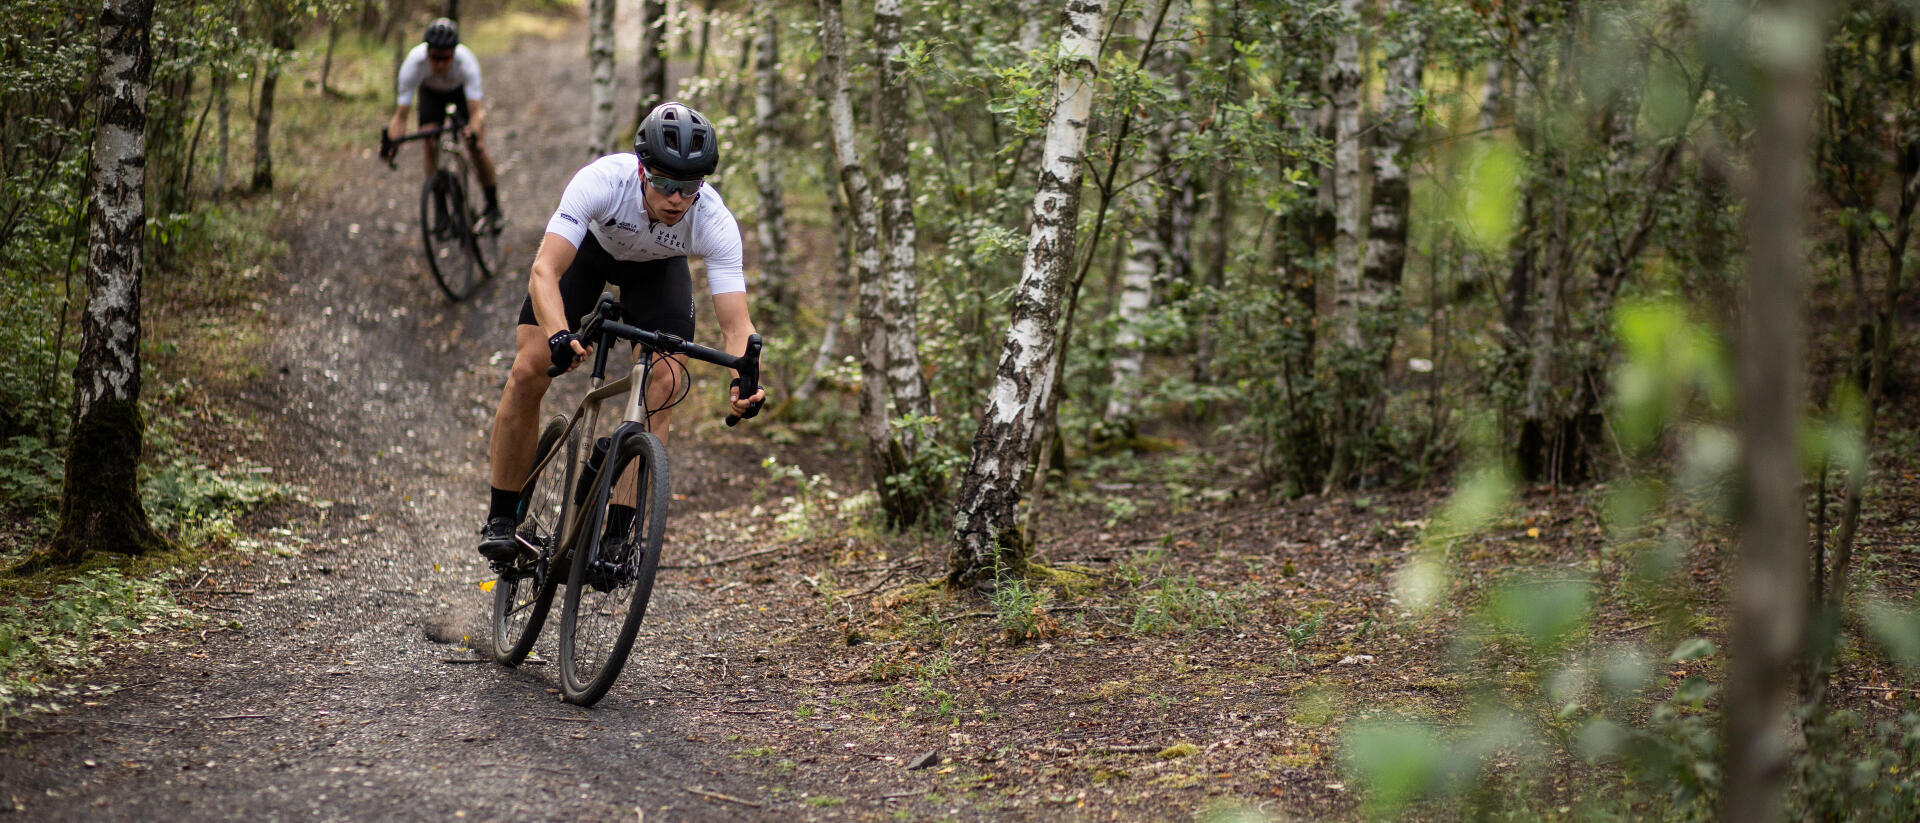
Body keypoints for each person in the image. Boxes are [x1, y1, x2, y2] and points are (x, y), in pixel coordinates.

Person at [477, 101, 766, 561]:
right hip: (590, 253)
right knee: (530, 368)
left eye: (688, 186)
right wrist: (557, 334)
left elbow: (736, 323)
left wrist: (742, 379)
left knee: (666, 381)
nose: (676, 198)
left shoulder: (712, 219)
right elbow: (545, 271)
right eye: (665, 183)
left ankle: (617, 533)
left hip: (657, 272)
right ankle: (502, 515)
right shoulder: (602, 181)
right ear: (641, 170)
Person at [380, 18, 502, 223]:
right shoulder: (413, 63)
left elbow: (476, 112)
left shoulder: (467, 63)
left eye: (445, 58)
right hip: (431, 94)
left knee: (477, 148)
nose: (439, 63)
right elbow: (401, 116)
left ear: (454, 54)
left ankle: (493, 206)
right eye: (434, 57)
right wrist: (393, 144)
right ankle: (440, 207)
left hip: (460, 94)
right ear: (427, 53)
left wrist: (473, 132)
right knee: (429, 142)